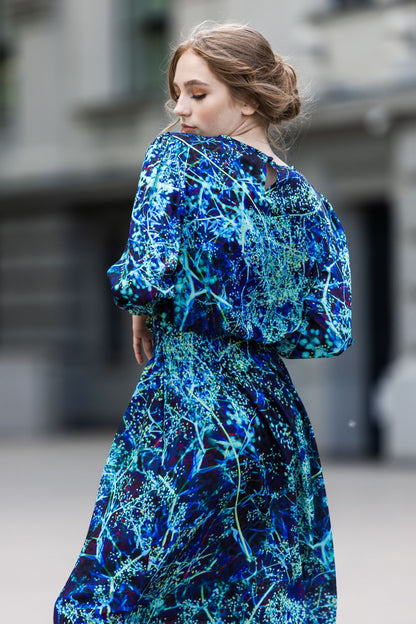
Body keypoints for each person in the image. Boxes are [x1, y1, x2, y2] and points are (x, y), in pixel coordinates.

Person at [54, 23, 352, 624]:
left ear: (248, 99)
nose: (180, 111)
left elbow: (145, 276)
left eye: (197, 93)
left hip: (189, 410)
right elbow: (328, 330)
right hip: (273, 424)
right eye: (177, 95)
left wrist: (149, 307)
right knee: (258, 601)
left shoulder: (178, 158)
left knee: (113, 597)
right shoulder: (310, 203)